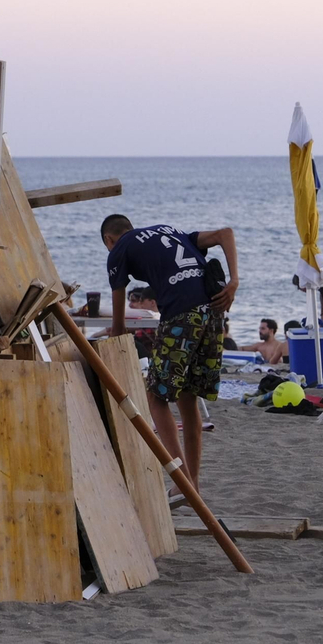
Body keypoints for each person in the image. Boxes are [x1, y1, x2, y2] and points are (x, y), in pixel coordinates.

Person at [102, 214, 238, 500]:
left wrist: (114, 340)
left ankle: (183, 481)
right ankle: (192, 486)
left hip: (181, 314)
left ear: (108, 240)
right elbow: (226, 233)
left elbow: (118, 326)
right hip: (214, 312)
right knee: (188, 400)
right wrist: (234, 281)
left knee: (155, 397)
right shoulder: (172, 232)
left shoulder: (118, 250)